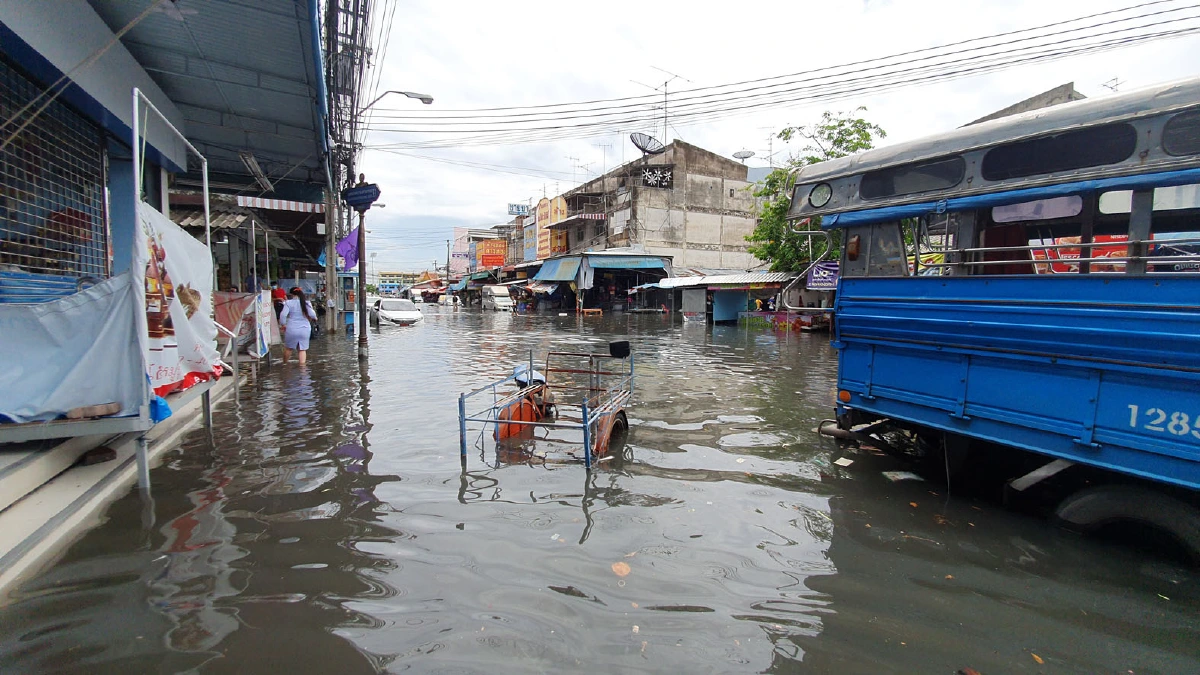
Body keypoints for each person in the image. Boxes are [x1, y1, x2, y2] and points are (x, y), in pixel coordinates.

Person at [279, 287, 316, 365]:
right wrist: (315, 318)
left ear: (291, 294)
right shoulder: (306, 302)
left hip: (292, 328)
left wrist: (283, 324)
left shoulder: (288, 303)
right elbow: (312, 314)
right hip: (305, 329)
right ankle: (302, 368)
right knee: (302, 349)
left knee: (289, 348)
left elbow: (283, 315)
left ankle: (284, 365)